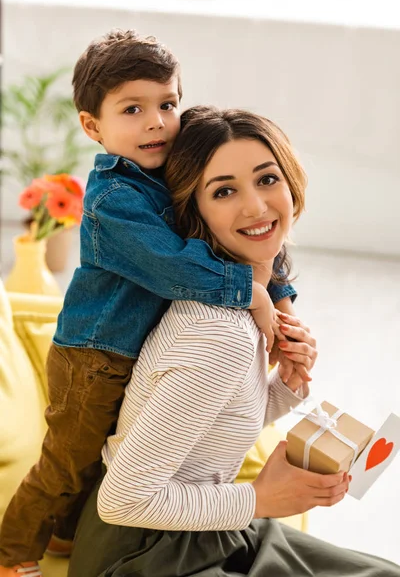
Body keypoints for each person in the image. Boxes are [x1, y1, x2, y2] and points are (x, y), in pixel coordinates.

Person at [0, 31, 299, 577]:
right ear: (93, 127)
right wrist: (251, 294)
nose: (156, 122)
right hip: (95, 354)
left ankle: (67, 535)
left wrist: (283, 305)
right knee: (68, 463)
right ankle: (14, 552)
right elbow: (176, 264)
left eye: (167, 104)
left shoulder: (166, 176)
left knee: (112, 450)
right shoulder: (114, 199)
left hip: (130, 348)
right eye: (132, 109)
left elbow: (249, 245)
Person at [67, 106, 400, 577]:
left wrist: (286, 383)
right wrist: (262, 498)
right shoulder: (216, 333)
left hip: (207, 529)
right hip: (144, 557)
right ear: (193, 208)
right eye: (224, 191)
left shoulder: (241, 313)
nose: (256, 207)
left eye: (267, 180)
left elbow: (208, 427)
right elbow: (124, 500)